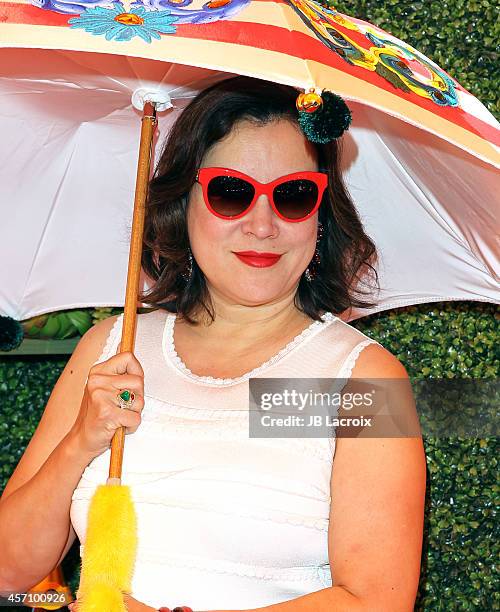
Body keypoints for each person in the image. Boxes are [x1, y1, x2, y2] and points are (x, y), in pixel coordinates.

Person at [0, 77, 426, 611]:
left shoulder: (363, 381)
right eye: (231, 192)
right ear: (184, 203)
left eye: (294, 196)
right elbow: (9, 571)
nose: (263, 225)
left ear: (321, 215)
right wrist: (81, 441)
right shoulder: (109, 348)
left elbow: (375, 601)